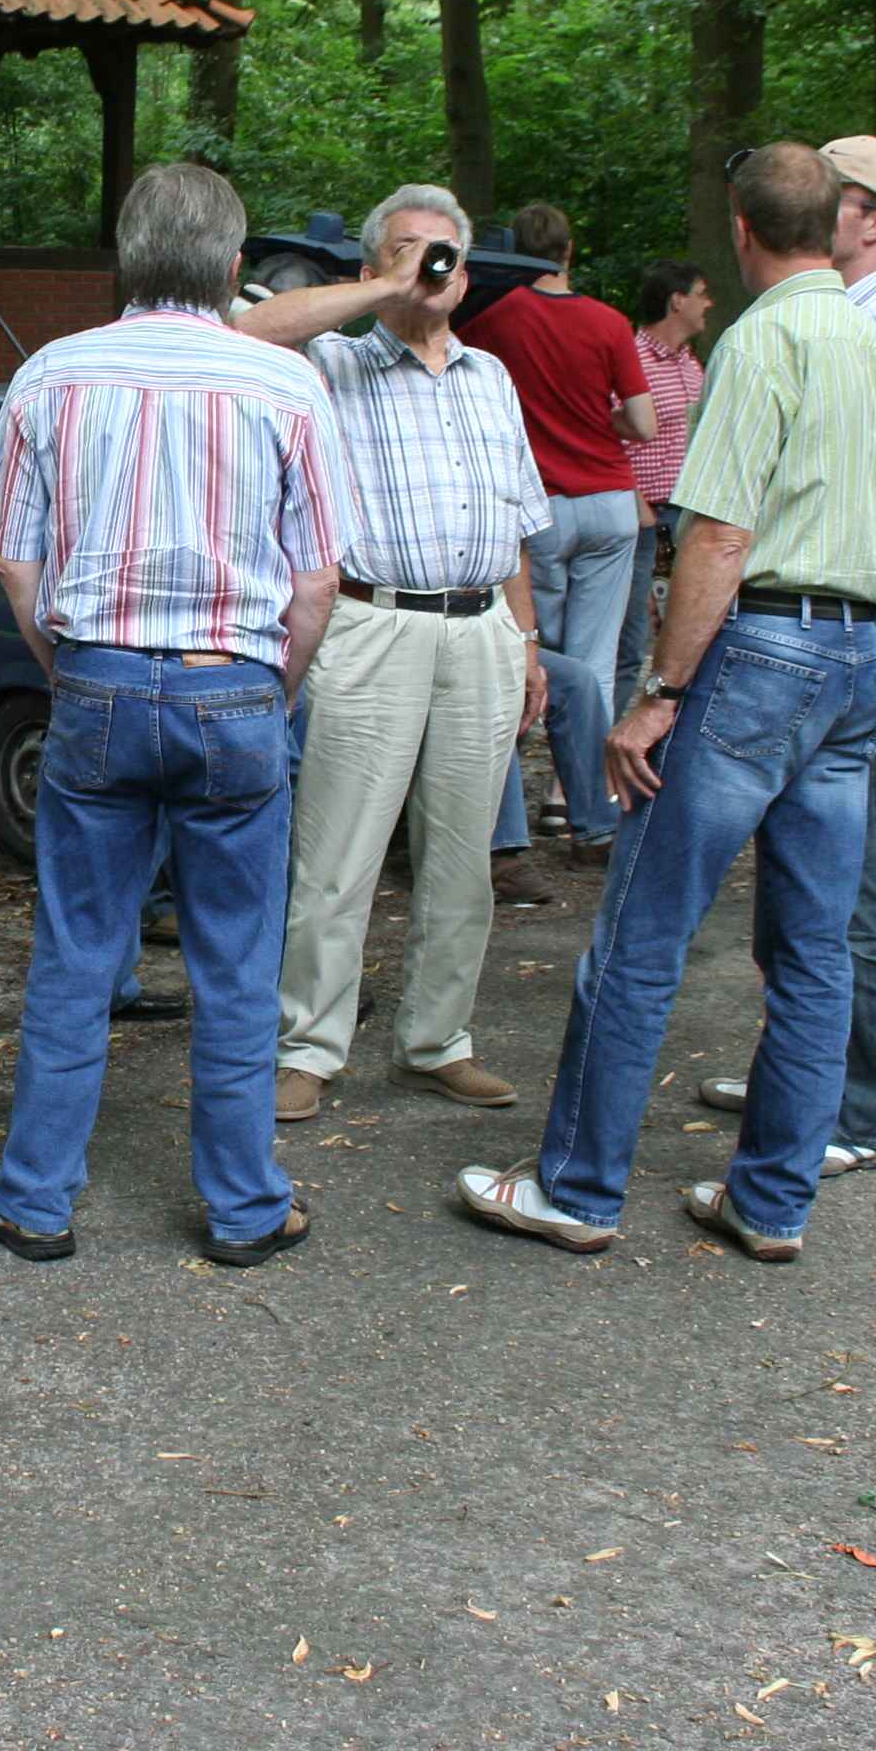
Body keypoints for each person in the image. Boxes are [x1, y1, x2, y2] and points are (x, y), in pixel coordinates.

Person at [456, 143, 876, 1265]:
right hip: (860, 657)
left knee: (642, 933)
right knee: (816, 950)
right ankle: (772, 1202)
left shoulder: (765, 341)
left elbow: (719, 532)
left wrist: (659, 693)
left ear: (742, 229)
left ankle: (576, 1187)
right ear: (838, 222)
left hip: (762, 656)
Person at [0, 162, 352, 1267]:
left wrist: (73, 667)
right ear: (233, 270)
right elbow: (317, 582)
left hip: (97, 683)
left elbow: (16, 561)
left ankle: (35, 1198)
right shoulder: (284, 385)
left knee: (79, 948)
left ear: (124, 262)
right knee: (236, 962)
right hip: (237, 687)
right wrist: (269, 692)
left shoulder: (52, 377)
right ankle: (244, 1207)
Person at [239, 186, 549, 1122]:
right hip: (373, 625)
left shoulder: (490, 377)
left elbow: (517, 527)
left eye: (446, 251)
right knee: (339, 855)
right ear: (374, 265)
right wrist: (384, 290)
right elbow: (248, 333)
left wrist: (527, 643)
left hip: (482, 627)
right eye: (410, 248)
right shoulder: (328, 361)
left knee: (463, 856)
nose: (433, 265)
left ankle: (437, 1039)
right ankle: (308, 1047)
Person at [699, 136, 876, 1178]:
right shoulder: (820, 319)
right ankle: (800, 1082)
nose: (811, 211)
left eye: (831, 200)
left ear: (872, 218)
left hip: (861, 614)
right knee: (800, 871)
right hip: (819, 614)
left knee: (865, 873)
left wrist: (828, 572)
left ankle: (860, 1106)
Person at [458, 202, 650, 868]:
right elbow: (645, 422)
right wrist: (606, 425)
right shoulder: (608, 322)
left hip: (533, 504)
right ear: (569, 251)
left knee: (515, 647)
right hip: (607, 500)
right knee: (592, 661)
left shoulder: (488, 322)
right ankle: (574, 801)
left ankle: (501, 809)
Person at [612, 258, 710, 714]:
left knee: (686, 641)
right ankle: (586, 768)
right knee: (628, 645)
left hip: (688, 522)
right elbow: (607, 435)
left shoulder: (694, 367)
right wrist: (636, 503)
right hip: (642, 520)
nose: (709, 303)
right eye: (701, 293)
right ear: (677, 300)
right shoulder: (630, 359)